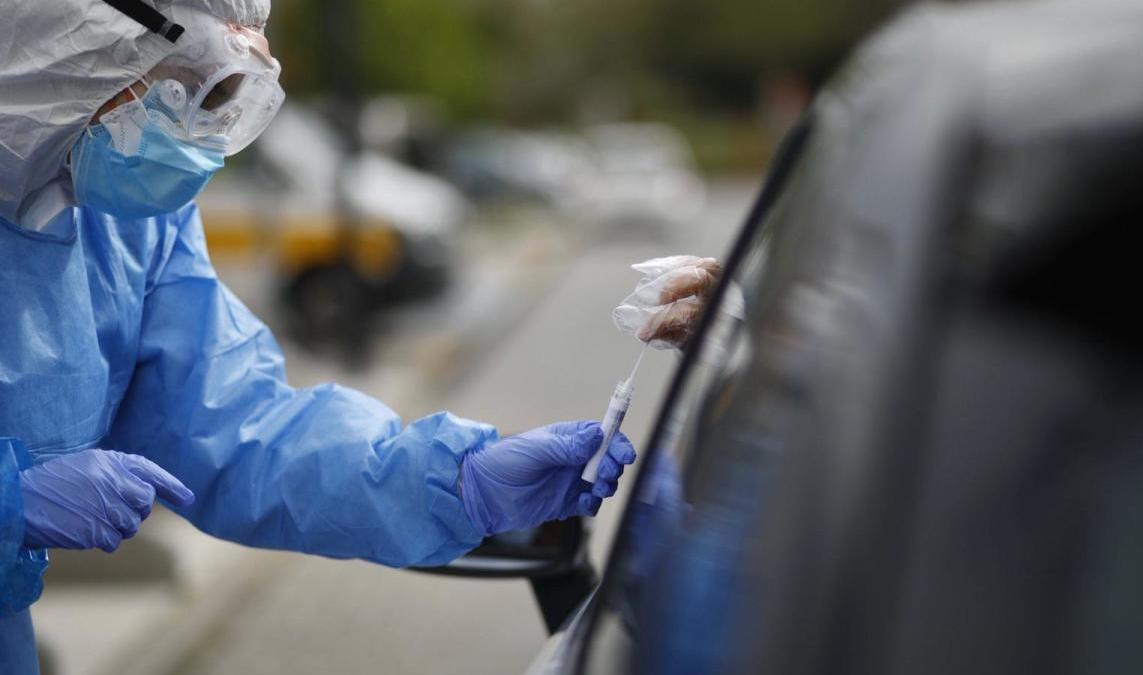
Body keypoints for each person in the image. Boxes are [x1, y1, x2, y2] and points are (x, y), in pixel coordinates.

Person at [0, 1, 656, 671]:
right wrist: (8, 502)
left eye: (220, 99)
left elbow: (235, 427)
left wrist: (454, 479)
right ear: (75, 48)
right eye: (179, 93)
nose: (197, 141)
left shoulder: (128, 224)